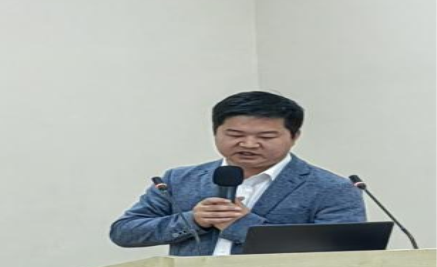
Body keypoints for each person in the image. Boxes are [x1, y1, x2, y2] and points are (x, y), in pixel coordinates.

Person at [110, 91, 366, 256]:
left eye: (266, 136)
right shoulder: (179, 180)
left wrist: (244, 226)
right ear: (215, 132)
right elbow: (125, 232)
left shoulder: (331, 188)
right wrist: (193, 220)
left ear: (294, 136)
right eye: (235, 135)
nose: (249, 144)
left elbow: (343, 252)